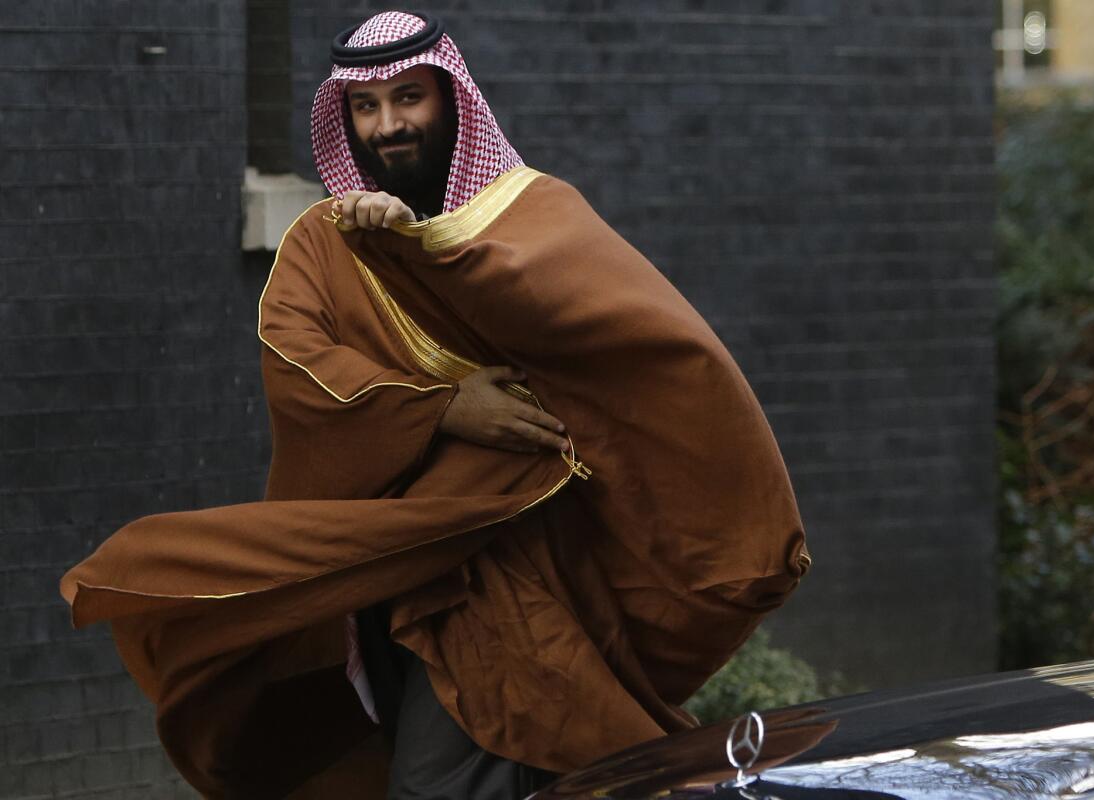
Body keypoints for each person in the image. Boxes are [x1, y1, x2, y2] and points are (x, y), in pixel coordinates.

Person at [61, 11, 810, 799]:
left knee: (460, 767)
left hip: (501, 576)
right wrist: (443, 408)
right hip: (376, 574)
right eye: (366, 107)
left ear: (452, 99)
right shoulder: (325, 242)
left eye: (408, 98)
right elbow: (297, 361)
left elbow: (635, 352)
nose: (388, 126)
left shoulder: (539, 217)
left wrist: (418, 248)